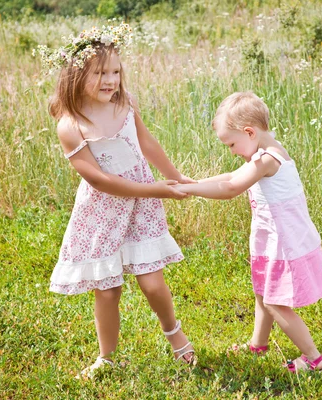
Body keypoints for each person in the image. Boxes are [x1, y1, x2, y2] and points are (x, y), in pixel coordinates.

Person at [36, 24, 196, 378]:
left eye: (115, 72)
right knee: (108, 291)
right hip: (103, 210)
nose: (111, 80)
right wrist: (160, 190)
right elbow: (100, 180)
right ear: (77, 75)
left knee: (153, 283)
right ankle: (106, 357)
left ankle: (176, 336)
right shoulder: (70, 124)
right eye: (100, 73)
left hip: (141, 204)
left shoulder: (125, 103)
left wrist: (175, 177)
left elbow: (148, 143)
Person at [176, 91, 322, 372]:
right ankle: (258, 345)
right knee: (263, 293)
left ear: (249, 132)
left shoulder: (269, 160)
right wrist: (194, 182)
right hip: (272, 241)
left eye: (231, 144)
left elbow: (232, 188)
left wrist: (190, 189)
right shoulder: (263, 153)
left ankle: (313, 358)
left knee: (275, 302)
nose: (232, 151)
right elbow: (231, 177)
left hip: (285, 244)